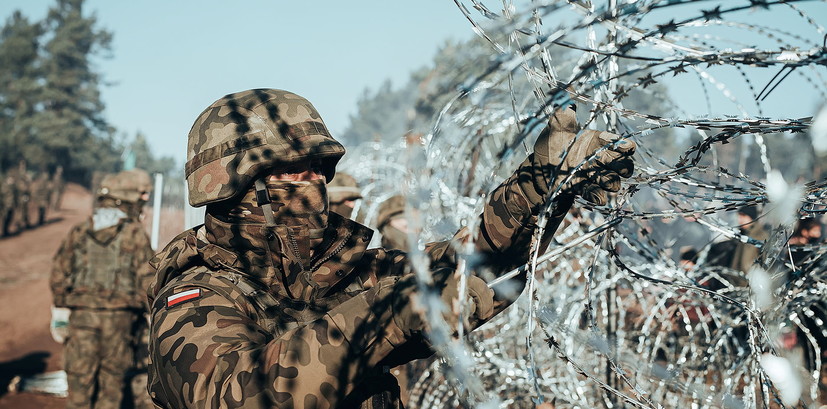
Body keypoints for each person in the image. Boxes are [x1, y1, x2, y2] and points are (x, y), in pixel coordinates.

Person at [146, 88, 636, 409]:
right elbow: (242, 397)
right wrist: (386, 312)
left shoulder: (343, 273)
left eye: (321, 168)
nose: (316, 182)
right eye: (296, 171)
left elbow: (474, 271)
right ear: (236, 187)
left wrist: (543, 187)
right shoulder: (195, 299)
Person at [50, 169, 156, 409]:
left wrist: (60, 307)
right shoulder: (135, 234)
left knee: (78, 384)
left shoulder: (79, 231)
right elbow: (147, 278)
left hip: (82, 317)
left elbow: (59, 272)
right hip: (121, 320)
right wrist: (151, 313)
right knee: (112, 384)